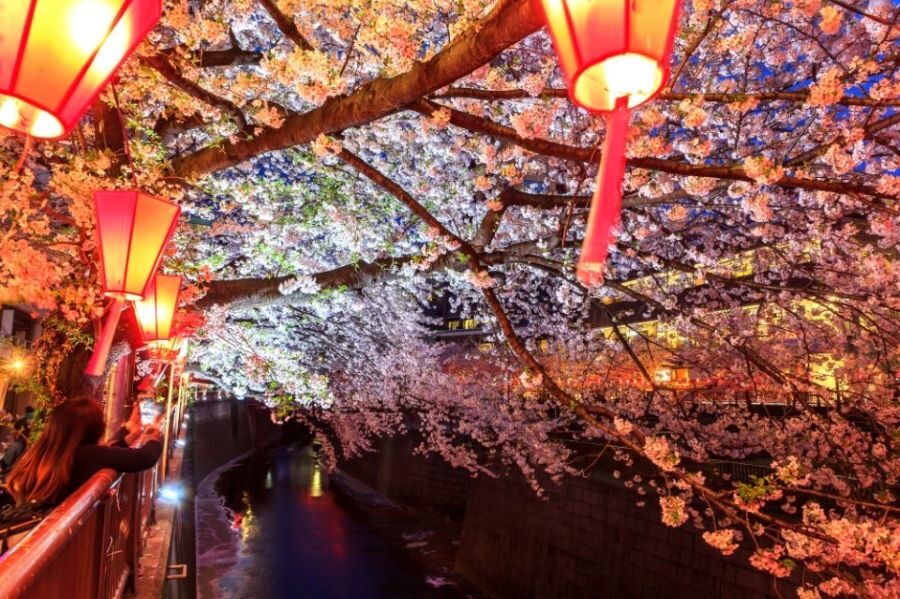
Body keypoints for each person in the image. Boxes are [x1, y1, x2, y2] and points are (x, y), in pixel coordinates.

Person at [4, 398, 162, 508]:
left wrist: (127, 431)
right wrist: (153, 437)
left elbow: (109, 452)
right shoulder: (88, 455)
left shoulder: (40, 453)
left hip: (21, 538)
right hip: (55, 546)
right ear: (93, 428)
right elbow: (144, 457)